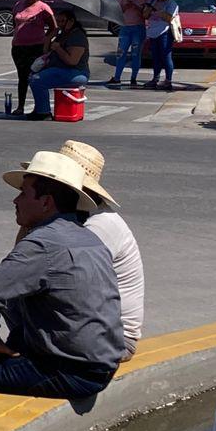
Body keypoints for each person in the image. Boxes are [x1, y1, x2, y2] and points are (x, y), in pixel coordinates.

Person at [0, 150, 124, 398]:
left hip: (72, 372)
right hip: (102, 363)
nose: (15, 201)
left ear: (46, 202)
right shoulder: (88, 237)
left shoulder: (42, 245)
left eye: (23, 193)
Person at [54, 141, 144, 359]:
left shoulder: (99, 225)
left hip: (115, 338)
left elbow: (63, 279)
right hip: (97, 326)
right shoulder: (77, 218)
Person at [25, 7, 92, 120]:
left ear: (70, 21)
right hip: (60, 69)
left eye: (62, 21)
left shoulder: (77, 37)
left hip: (76, 73)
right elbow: (46, 51)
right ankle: (40, 109)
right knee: (33, 77)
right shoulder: (63, 34)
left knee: (38, 80)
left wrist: (58, 48)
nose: (59, 24)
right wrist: (49, 37)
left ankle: (43, 112)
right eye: (58, 21)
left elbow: (72, 61)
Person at [9, 0, 56, 115]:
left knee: (36, 77)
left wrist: (46, 41)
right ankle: (20, 107)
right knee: (22, 77)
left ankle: (40, 107)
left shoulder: (43, 8)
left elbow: (54, 28)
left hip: (36, 48)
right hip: (18, 47)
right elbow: (15, 23)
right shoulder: (19, 5)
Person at [107, 0, 147, 86]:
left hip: (138, 28)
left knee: (135, 54)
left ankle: (133, 78)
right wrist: (125, 6)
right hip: (125, 28)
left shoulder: (145, 0)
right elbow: (118, 12)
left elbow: (146, 14)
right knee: (121, 53)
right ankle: (117, 77)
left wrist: (137, 6)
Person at [143, 0, 177, 91]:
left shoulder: (171, 4)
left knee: (166, 57)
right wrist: (149, 7)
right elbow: (145, 15)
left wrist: (159, 11)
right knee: (156, 57)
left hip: (164, 33)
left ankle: (168, 80)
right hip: (153, 33)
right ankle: (155, 78)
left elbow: (169, 18)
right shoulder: (153, 1)